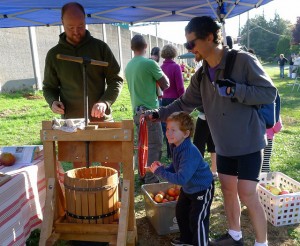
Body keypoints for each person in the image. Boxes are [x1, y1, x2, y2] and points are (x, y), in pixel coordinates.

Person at [144, 16, 277, 246]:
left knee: (246, 192)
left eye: (191, 43)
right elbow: (183, 103)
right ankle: (235, 235)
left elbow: (268, 93)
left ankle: (261, 243)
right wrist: (159, 114)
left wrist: (236, 90)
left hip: (248, 143)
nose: (189, 49)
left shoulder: (243, 61)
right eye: (187, 45)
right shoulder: (202, 74)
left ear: (209, 37)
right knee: (227, 189)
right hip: (224, 145)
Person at [42, 2, 123, 169]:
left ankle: (112, 195)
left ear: (85, 21)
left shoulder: (100, 48)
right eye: (70, 27)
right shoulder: (54, 55)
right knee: (80, 173)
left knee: (111, 169)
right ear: (62, 23)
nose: (76, 32)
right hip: (73, 124)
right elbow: (49, 87)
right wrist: (52, 101)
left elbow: (116, 79)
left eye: (80, 26)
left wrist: (105, 102)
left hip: (102, 121)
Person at [148, 111, 214, 246]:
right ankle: (187, 240)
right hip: (189, 188)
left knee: (198, 219)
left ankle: (201, 243)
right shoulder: (176, 146)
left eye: (173, 130)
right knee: (181, 213)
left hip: (202, 189)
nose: (168, 133)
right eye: (167, 129)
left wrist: (159, 171)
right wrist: (165, 169)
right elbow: (176, 165)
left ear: (186, 133)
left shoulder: (189, 152)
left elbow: (181, 179)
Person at [125, 34, 169, 184]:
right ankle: (151, 178)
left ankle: (143, 175)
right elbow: (166, 84)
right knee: (154, 146)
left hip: (136, 113)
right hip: (150, 112)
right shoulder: (150, 63)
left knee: (142, 145)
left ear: (132, 48)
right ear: (145, 47)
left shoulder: (129, 66)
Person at [160, 44, 185, 158]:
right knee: (177, 126)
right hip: (175, 99)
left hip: (163, 99)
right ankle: (177, 150)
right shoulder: (176, 67)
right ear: (174, 53)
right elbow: (180, 86)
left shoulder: (160, 67)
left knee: (167, 127)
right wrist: (184, 99)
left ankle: (170, 152)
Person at [261, 94, 283, 173]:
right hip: (268, 140)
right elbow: (277, 128)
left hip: (256, 139)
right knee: (266, 161)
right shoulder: (274, 112)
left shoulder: (257, 110)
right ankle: (264, 180)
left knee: (255, 160)